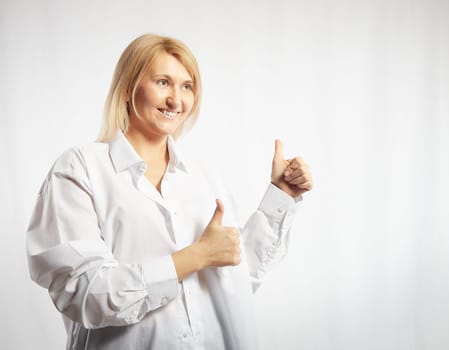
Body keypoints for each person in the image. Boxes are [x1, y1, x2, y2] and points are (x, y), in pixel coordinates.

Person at [26, 33, 313, 350]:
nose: (177, 100)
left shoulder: (204, 178)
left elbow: (237, 282)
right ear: (127, 89)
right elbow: (84, 294)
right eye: (163, 82)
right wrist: (194, 257)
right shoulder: (80, 168)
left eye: (186, 86)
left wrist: (282, 194)